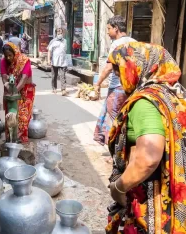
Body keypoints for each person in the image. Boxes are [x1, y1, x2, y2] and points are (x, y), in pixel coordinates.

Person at [106, 41, 186, 233]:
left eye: (120, 69)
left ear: (139, 66)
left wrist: (118, 187)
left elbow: (148, 159)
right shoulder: (173, 94)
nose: (117, 75)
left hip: (153, 205)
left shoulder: (145, 103)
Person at [93, 15, 137, 149]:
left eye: (109, 29)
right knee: (125, 118)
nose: (107, 32)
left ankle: (115, 153)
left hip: (117, 88)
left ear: (116, 29)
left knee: (113, 120)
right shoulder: (134, 41)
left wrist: (97, 83)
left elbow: (108, 67)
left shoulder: (116, 44)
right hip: (130, 88)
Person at [0, 42, 36, 143]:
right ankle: (10, 137)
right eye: (6, 56)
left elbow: (24, 79)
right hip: (10, 90)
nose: (8, 58)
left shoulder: (24, 61)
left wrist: (14, 91)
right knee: (10, 113)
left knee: (22, 115)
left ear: (15, 53)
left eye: (10, 55)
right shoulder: (3, 61)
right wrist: (6, 85)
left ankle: (21, 138)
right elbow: (3, 77)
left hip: (25, 90)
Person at [47, 28, 68, 96]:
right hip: (54, 62)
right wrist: (48, 60)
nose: (60, 34)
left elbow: (65, 50)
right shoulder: (52, 41)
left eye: (61, 33)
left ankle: (63, 89)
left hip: (63, 62)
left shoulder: (65, 41)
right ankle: (54, 88)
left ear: (63, 33)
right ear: (56, 34)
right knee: (54, 76)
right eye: (58, 33)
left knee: (63, 76)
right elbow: (49, 51)